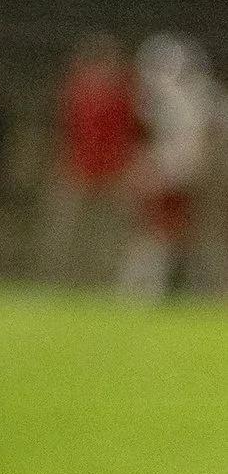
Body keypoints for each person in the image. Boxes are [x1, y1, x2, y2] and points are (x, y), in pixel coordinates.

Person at [35, 31, 138, 283]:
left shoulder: (124, 92)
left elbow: (130, 133)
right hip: (77, 171)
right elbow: (63, 130)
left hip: (112, 173)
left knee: (107, 233)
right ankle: (58, 280)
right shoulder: (75, 89)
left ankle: (101, 280)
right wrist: (60, 165)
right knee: (66, 232)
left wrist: (127, 171)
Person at [119, 32, 214, 300]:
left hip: (176, 175)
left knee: (166, 235)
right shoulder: (184, 97)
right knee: (164, 235)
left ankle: (153, 289)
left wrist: (159, 172)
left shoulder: (184, 98)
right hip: (175, 174)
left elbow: (194, 144)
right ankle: (155, 288)